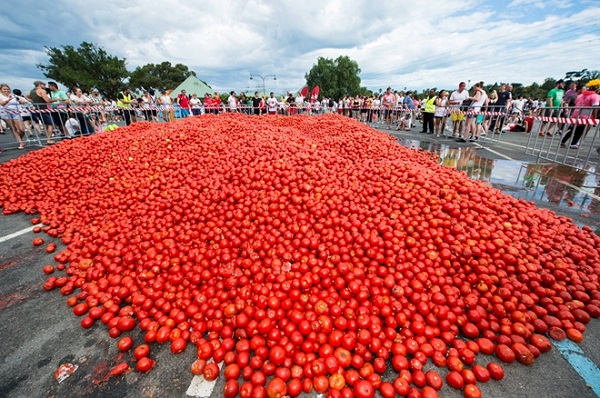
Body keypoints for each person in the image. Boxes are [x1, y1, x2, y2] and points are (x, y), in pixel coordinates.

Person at [563, 80, 600, 149]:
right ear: (597, 88)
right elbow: (595, 108)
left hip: (576, 114)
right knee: (581, 131)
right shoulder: (595, 96)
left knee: (573, 129)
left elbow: (576, 102)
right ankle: (575, 143)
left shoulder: (580, 95)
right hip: (586, 115)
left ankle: (564, 141)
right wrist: (595, 118)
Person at [0, 83, 28, 148]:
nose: (6, 90)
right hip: (5, 112)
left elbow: (20, 101)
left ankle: (19, 139)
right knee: (13, 128)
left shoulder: (13, 96)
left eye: (7, 89)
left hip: (15, 112)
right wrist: (9, 99)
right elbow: (2, 104)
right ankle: (21, 142)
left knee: (21, 129)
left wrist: (23, 101)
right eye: (4, 89)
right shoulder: (0, 96)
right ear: (1, 90)